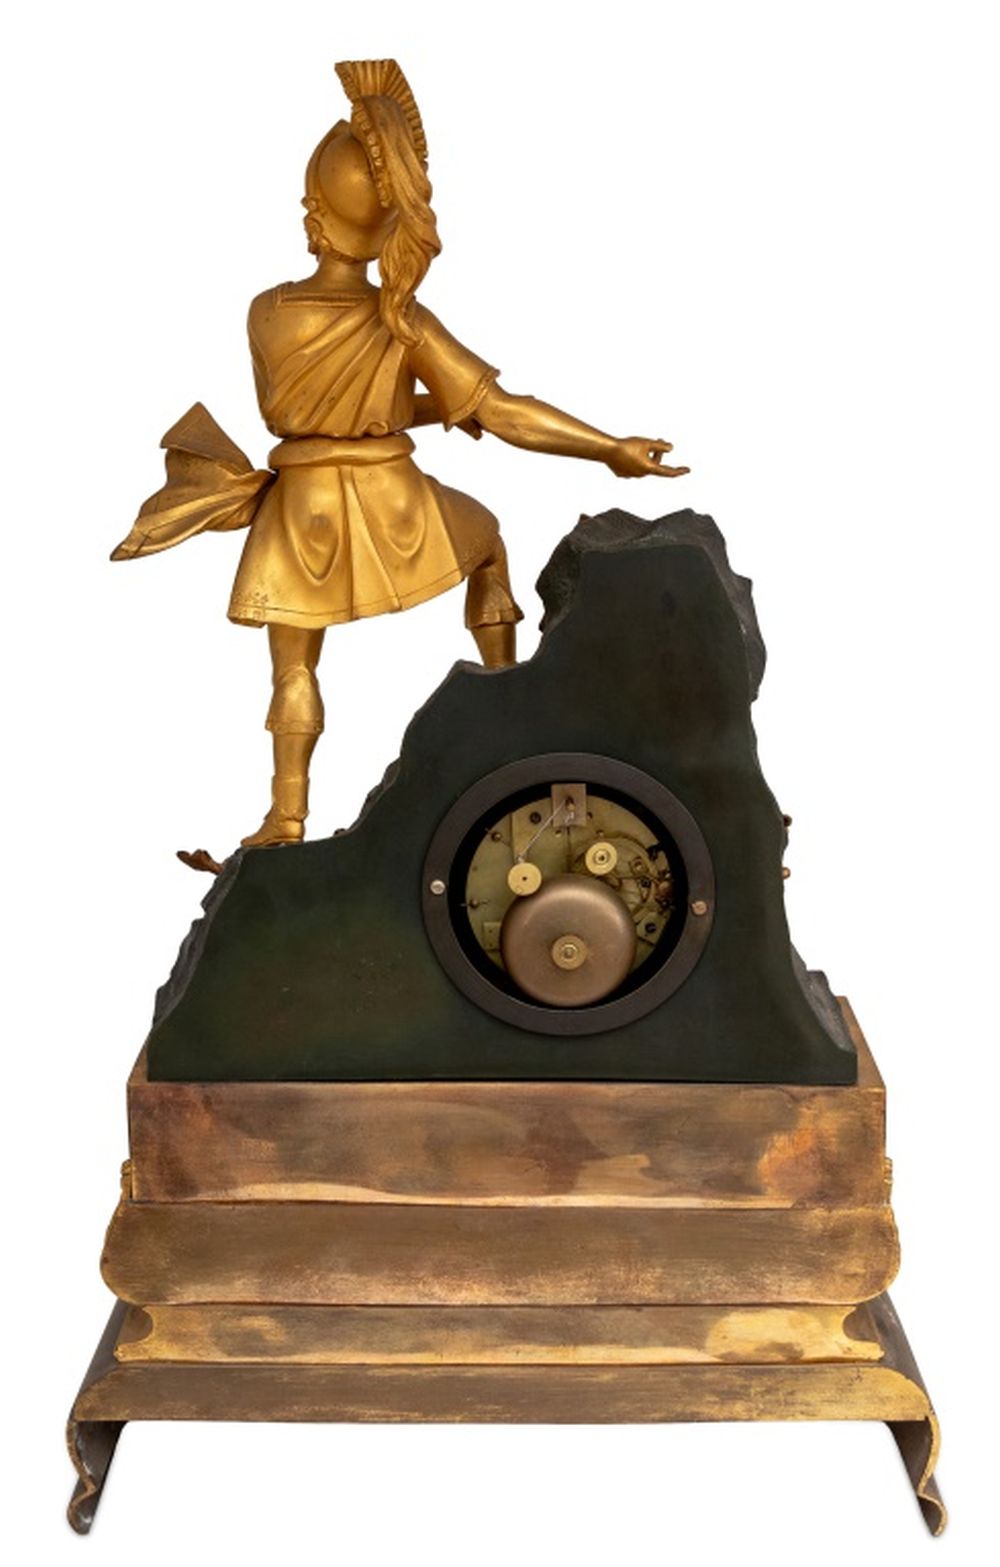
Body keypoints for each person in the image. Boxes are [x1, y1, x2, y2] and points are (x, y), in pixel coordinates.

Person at [113, 59, 688, 862]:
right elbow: (505, 412)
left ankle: (285, 815)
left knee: (293, 665)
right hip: (391, 500)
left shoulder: (267, 313)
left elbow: (301, 413)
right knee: (486, 542)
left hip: (299, 510)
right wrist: (608, 448)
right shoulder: (401, 320)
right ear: (383, 227)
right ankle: (508, 711)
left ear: (315, 216)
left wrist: (419, 404)